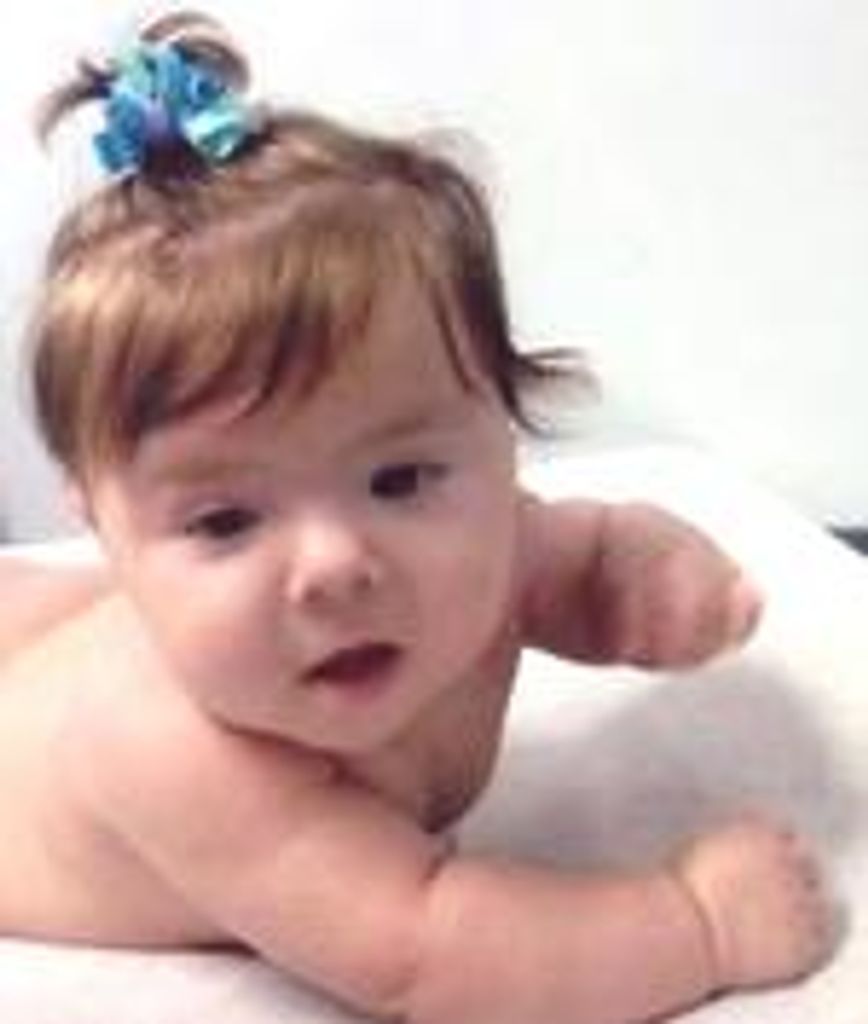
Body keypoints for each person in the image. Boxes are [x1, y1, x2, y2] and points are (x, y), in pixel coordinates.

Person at [0, 9, 832, 1023]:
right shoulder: (179, 754)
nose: (335, 562)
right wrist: (696, 926)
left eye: (397, 479)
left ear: (503, 431)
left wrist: (637, 575)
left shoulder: (481, 553)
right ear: (105, 530)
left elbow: (573, 553)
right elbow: (424, 951)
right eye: (223, 522)